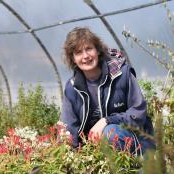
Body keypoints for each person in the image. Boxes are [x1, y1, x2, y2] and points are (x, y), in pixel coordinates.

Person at [60, 27, 155, 156]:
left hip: (138, 143)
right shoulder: (72, 88)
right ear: (73, 59)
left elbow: (138, 113)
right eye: (78, 52)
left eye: (89, 48)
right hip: (99, 151)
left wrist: (107, 120)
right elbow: (69, 128)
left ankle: (135, 172)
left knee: (110, 132)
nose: (85, 56)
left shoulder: (121, 74)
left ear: (98, 50)